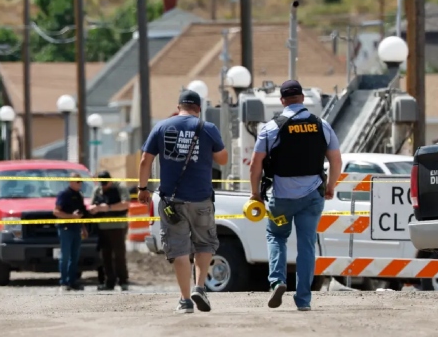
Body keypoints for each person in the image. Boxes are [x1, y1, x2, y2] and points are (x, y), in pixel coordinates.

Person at [247, 79, 342, 312]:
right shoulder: (322, 125)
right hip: (312, 198)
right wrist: (330, 187)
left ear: (282, 101)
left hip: (282, 200)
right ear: (302, 98)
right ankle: (303, 300)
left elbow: (255, 164)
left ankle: (278, 281)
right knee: (307, 246)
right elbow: (336, 160)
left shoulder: (270, 128)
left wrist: (255, 194)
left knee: (276, 236)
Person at [138, 89, 228, 314]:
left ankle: (185, 300)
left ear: (179, 107)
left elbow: (144, 160)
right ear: (198, 108)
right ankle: (199, 287)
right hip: (201, 199)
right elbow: (223, 159)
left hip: (171, 201)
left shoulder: (161, 127)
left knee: (178, 249)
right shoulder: (207, 128)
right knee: (204, 244)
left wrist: (142, 189)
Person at [89, 171, 131, 291]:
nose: (103, 186)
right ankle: (109, 282)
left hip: (118, 226)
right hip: (102, 227)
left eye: (105, 183)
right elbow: (92, 205)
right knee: (105, 256)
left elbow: (126, 204)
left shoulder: (119, 188)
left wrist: (108, 207)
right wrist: (94, 209)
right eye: (101, 183)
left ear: (110, 180)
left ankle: (123, 281)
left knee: (119, 255)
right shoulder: (97, 190)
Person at [52, 172, 88, 291]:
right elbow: (56, 212)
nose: (80, 184)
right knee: (65, 256)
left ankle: (73, 281)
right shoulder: (64, 194)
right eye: (77, 181)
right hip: (65, 228)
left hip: (76, 228)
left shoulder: (79, 195)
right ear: (71, 182)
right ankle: (64, 282)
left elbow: (80, 214)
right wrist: (71, 216)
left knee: (75, 256)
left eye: (81, 181)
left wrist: (83, 228)